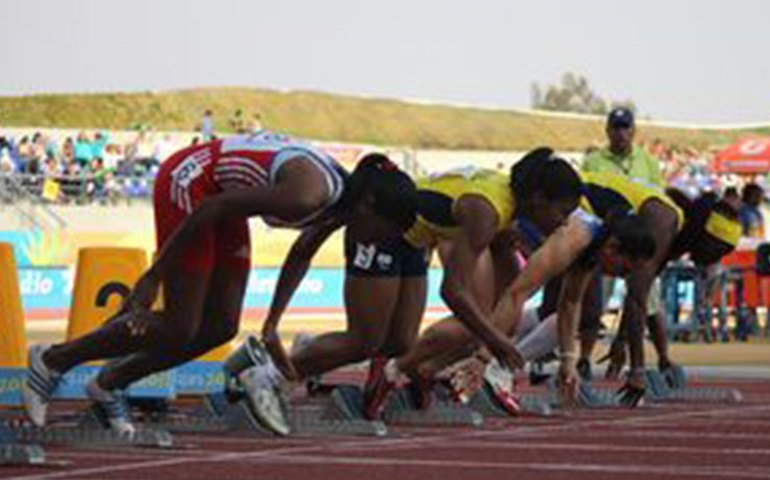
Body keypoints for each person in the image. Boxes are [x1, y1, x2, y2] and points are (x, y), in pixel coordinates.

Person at [23, 130, 418, 435]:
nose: (381, 241)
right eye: (386, 231)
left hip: (224, 200)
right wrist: (154, 276)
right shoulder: (309, 194)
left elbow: (302, 253)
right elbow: (211, 207)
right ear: (369, 206)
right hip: (191, 183)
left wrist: (272, 323)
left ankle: (109, 384)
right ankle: (54, 359)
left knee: (221, 326)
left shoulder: (342, 202)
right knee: (180, 324)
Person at [246, 147, 584, 424]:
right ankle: (268, 376)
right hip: (384, 230)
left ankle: (315, 350)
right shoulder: (487, 211)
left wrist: (494, 332)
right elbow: (453, 291)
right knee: (365, 341)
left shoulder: (507, 208)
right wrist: (495, 340)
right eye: (563, 211)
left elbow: (508, 279)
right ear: (538, 198)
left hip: (416, 240)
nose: (564, 223)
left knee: (401, 342)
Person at [479, 182, 741, 409]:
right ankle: (491, 365)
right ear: (704, 235)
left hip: (591, 220)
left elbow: (640, 298)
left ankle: (490, 361)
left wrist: (615, 347)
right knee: (547, 303)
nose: (716, 259)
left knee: (564, 311)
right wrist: (636, 369)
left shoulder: (668, 230)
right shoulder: (663, 221)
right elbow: (636, 298)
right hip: (574, 215)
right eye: (718, 250)